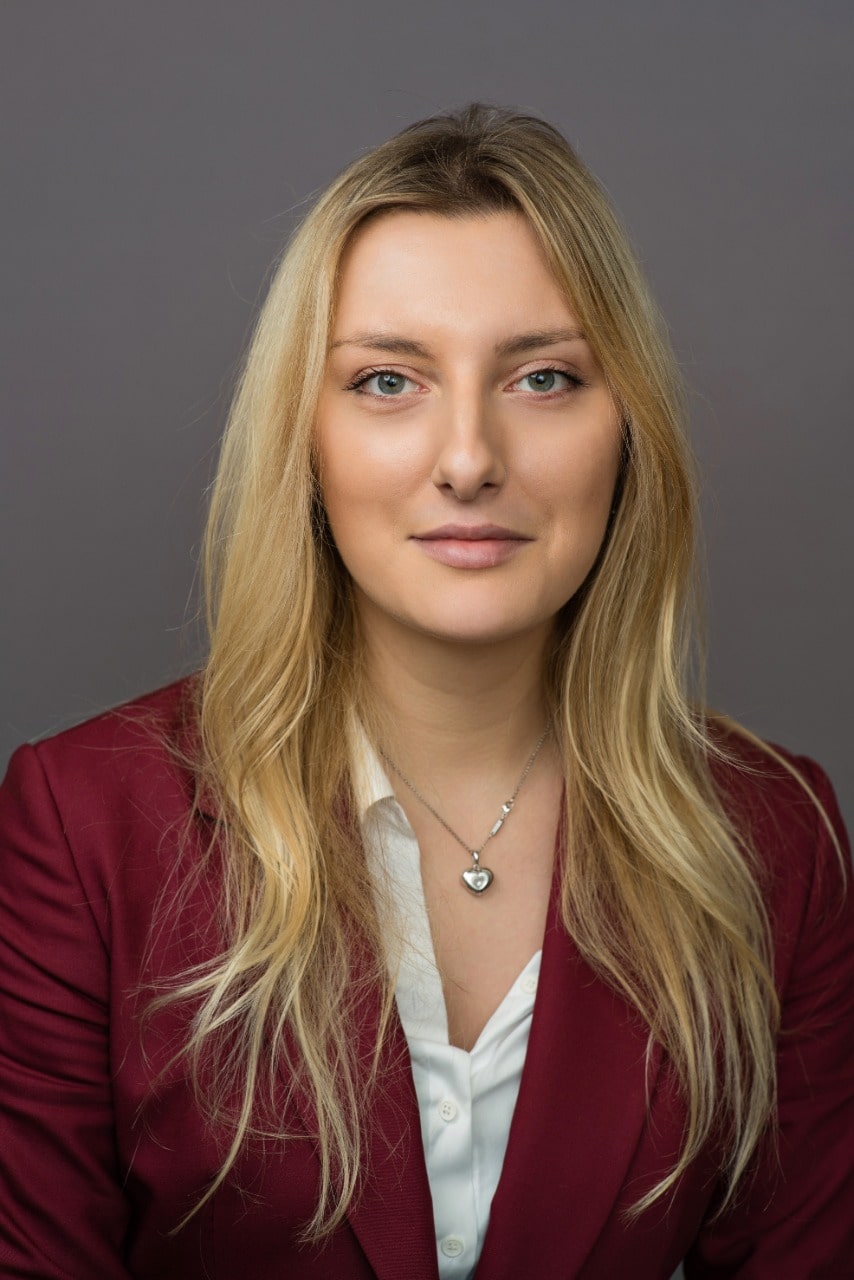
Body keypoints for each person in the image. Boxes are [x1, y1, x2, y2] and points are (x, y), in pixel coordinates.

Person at [0, 104, 851, 1280]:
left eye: (542, 377)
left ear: (627, 429)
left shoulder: (772, 839)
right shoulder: (81, 820)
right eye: (387, 380)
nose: (466, 458)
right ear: (304, 438)